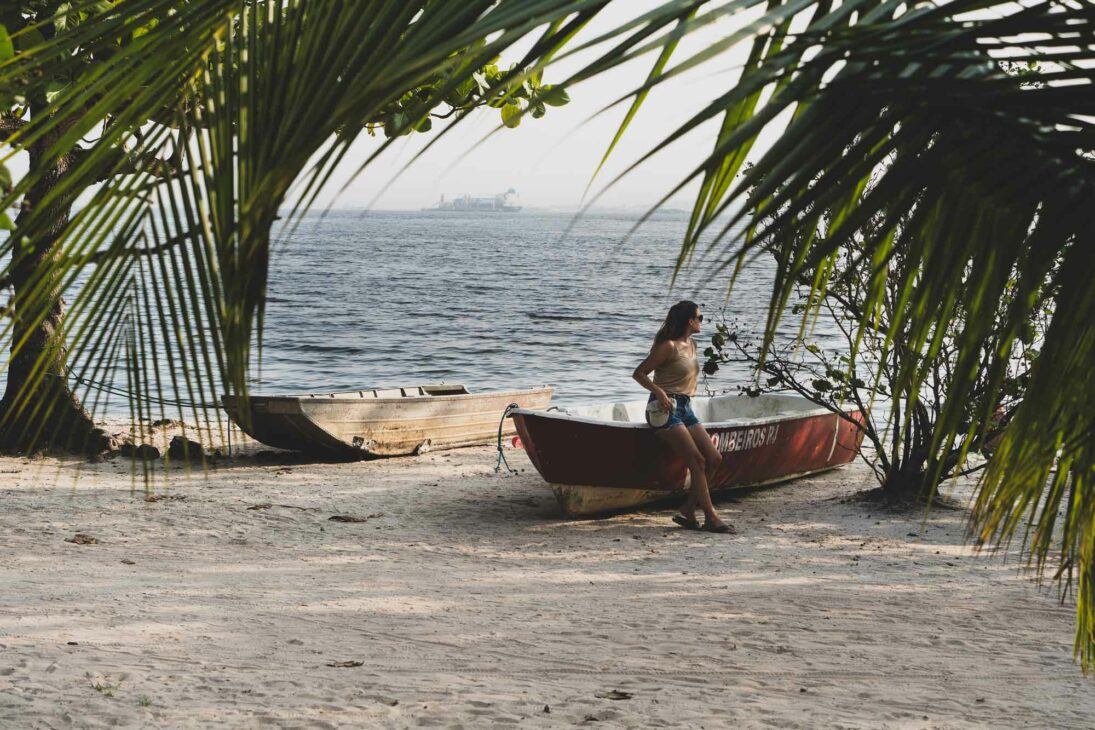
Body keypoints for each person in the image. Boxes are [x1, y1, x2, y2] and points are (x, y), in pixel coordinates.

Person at [632, 300, 733, 533]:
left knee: (714, 459)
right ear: (690, 321)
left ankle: (688, 509)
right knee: (697, 461)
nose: (702, 321)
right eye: (700, 317)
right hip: (664, 409)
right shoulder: (668, 346)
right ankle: (711, 517)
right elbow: (639, 373)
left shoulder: (692, 345)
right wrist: (659, 392)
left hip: (686, 407)